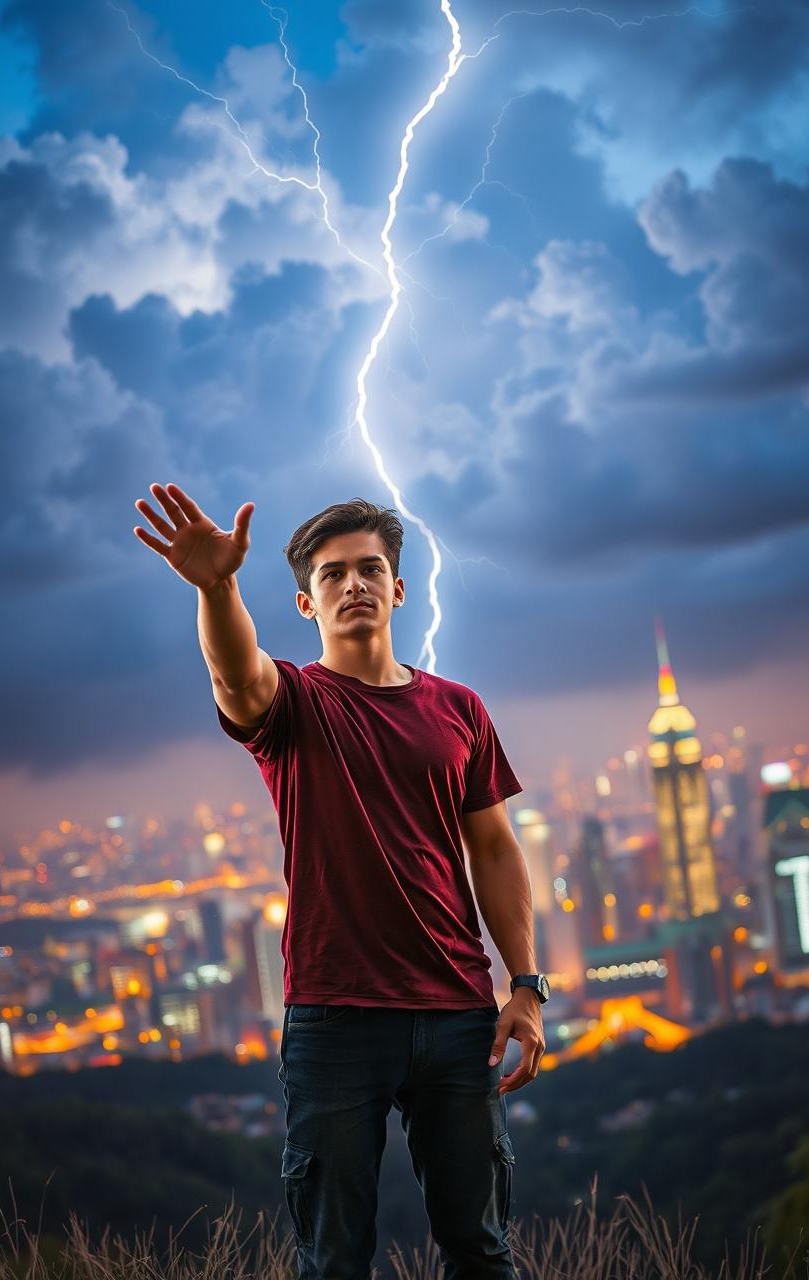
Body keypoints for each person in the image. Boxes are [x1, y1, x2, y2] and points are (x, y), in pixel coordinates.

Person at [133, 482, 548, 1280]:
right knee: (333, 1261)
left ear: (398, 588)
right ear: (304, 601)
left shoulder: (459, 708)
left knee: (482, 1250)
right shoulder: (293, 703)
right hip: (335, 1020)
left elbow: (495, 851)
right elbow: (236, 676)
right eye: (332, 574)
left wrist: (525, 985)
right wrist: (216, 587)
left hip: (457, 1012)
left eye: (369, 569)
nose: (353, 584)